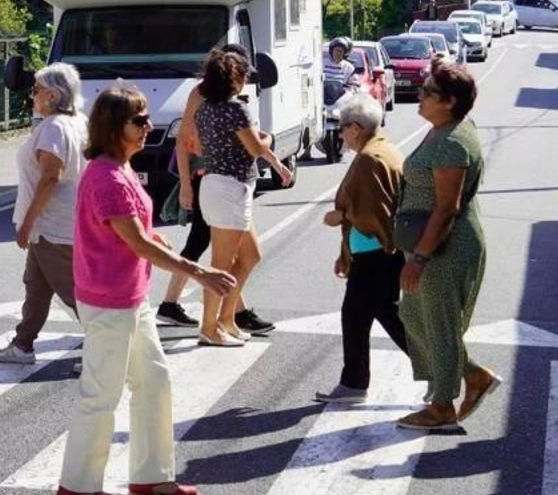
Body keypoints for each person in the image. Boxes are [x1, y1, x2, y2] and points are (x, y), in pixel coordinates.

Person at [56, 86, 236, 495]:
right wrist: (199, 271)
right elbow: (135, 241)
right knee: (101, 394)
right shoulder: (106, 176)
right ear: (113, 127)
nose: (148, 126)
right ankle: (77, 487)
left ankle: (151, 477)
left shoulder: (120, 169)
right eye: (138, 120)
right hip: (109, 300)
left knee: (154, 382)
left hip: (130, 297)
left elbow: (132, 231)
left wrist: (156, 238)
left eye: (146, 118)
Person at [397, 63, 499, 431]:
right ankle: (473, 375)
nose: (420, 96)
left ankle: (442, 406)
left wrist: (419, 258)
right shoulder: (443, 130)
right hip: (431, 244)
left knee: (440, 325)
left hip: (444, 249)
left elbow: (446, 208)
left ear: (450, 102)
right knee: (413, 315)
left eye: (428, 92)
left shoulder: (452, 143)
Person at [157, 44, 274, 335]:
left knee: (243, 254)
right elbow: (184, 141)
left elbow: (223, 143)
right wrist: (186, 185)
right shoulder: (217, 102)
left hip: (217, 181)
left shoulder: (215, 104)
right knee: (212, 252)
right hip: (215, 181)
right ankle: (209, 320)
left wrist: (274, 162)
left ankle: (229, 314)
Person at [192, 48, 292, 347]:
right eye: (244, 75)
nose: (246, 80)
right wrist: (269, 138)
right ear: (233, 78)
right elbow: (255, 147)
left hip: (219, 187)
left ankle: (226, 319)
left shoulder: (205, 109)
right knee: (220, 264)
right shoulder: (236, 109)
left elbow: (199, 147)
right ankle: (209, 327)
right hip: (230, 189)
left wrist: (276, 164)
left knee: (250, 255)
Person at [0, 63, 88, 364]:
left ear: (52, 95)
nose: (32, 95)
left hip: (52, 227)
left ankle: (108, 350)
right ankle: (22, 344)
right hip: (58, 224)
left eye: (36, 90)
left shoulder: (54, 128)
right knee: (36, 286)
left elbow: (49, 178)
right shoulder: (78, 121)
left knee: (76, 294)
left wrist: (27, 223)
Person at [316, 92, 408, 403]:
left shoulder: (370, 158)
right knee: (365, 316)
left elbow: (370, 214)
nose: (340, 134)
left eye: (342, 128)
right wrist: (346, 254)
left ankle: (456, 370)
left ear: (355, 128)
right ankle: (354, 383)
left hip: (376, 255)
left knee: (376, 317)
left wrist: (338, 216)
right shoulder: (383, 149)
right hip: (374, 254)